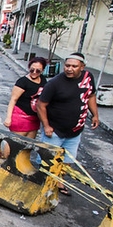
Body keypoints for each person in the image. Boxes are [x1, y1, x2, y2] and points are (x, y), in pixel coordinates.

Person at [36, 52, 99, 196]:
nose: (70, 69)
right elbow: (41, 105)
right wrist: (46, 126)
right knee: (48, 159)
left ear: (82, 67)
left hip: (76, 130)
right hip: (55, 130)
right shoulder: (55, 83)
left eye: (74, 66)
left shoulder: (88, 78)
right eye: (67, 65)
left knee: (68, 160)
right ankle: (44, 184)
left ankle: (59, 182)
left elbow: (91, 96)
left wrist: (95, 115)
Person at [3, 57, 48, 138]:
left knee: (28, 145)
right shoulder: (23, 82)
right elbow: (13, 99)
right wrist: (8, 117)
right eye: (32, 70)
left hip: (34, 118)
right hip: (21, 117)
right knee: (15, 144)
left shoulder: (43, 80)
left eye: (38, 71)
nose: (34, 72)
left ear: (43, 70)